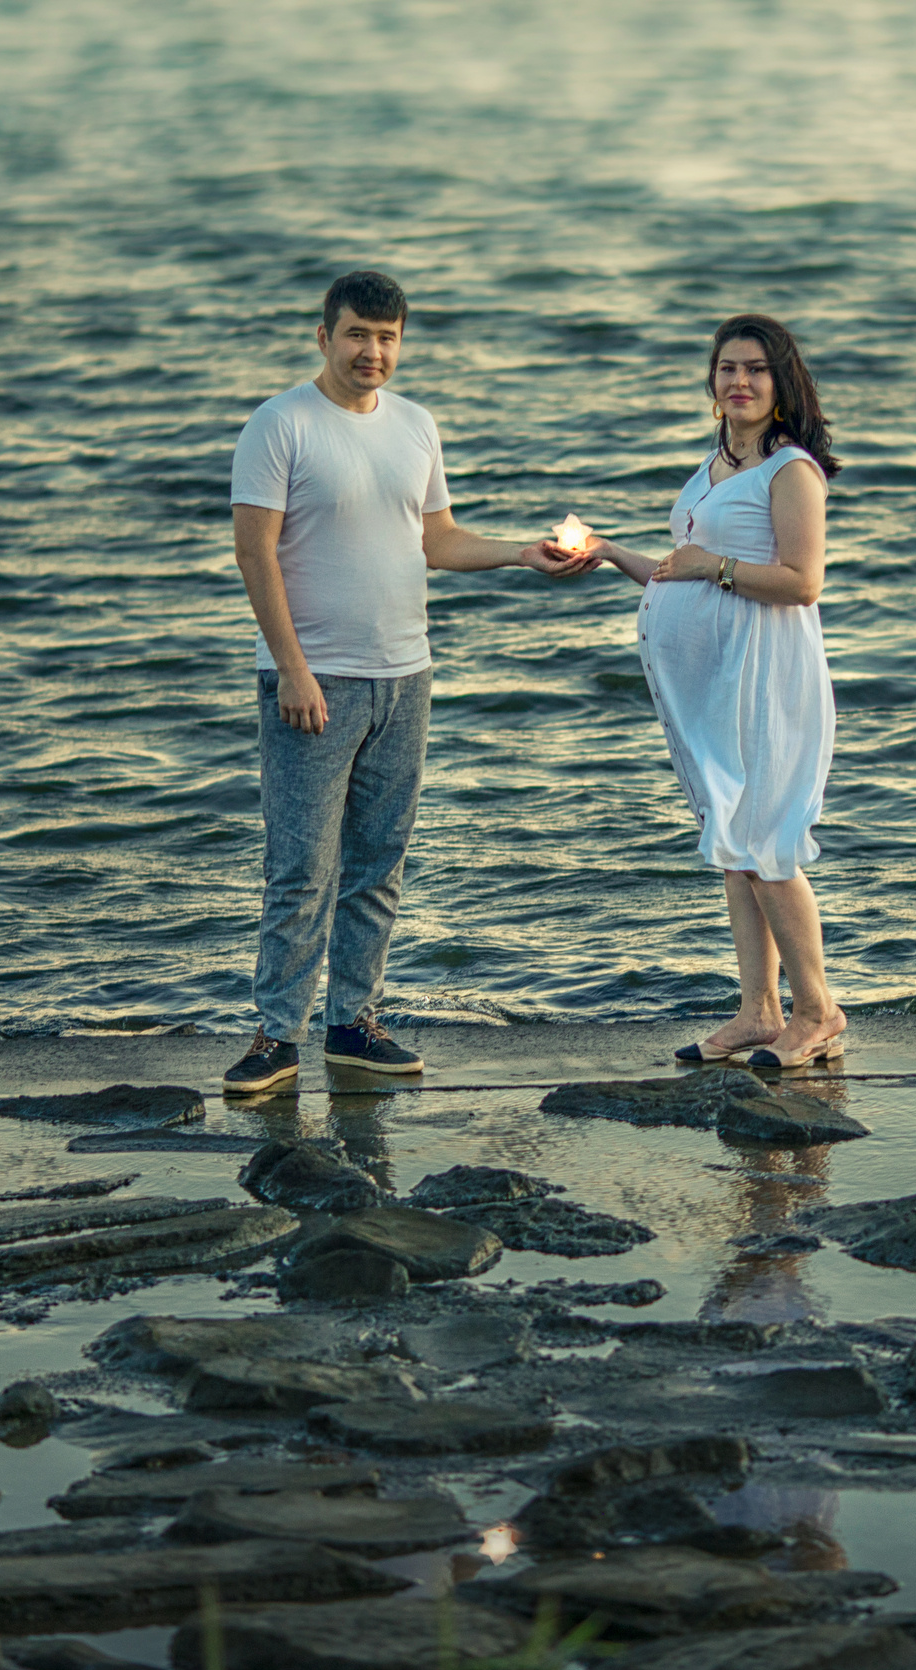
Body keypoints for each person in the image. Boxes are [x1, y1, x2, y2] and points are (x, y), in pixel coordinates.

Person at [224, 270, 593, 1093]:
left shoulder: (416, 427)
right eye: (358, 335)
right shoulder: (279, 425)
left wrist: (521, 554)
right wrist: (292, 668)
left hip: (406, 675)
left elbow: (437, 540)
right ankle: (276, 1037)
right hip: (315, 680)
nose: (373, 352)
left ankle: (353, 1024)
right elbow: (255, 553)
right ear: (324, 337)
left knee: (379, 863)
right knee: (300, 868)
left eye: (387, 338)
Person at [583, 314, 847, 1069]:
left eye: (756, 369)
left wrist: (713, 570)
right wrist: (607, 552)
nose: (739, 381)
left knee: (766, 840)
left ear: (781, 381)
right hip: (712, 687)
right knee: (735, 845)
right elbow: (680, 566)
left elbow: (802, 581)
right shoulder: (712, 467)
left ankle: (819, 1011)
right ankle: (760, 1012)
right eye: (727, 367)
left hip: (765, 676)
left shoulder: (789, 470)